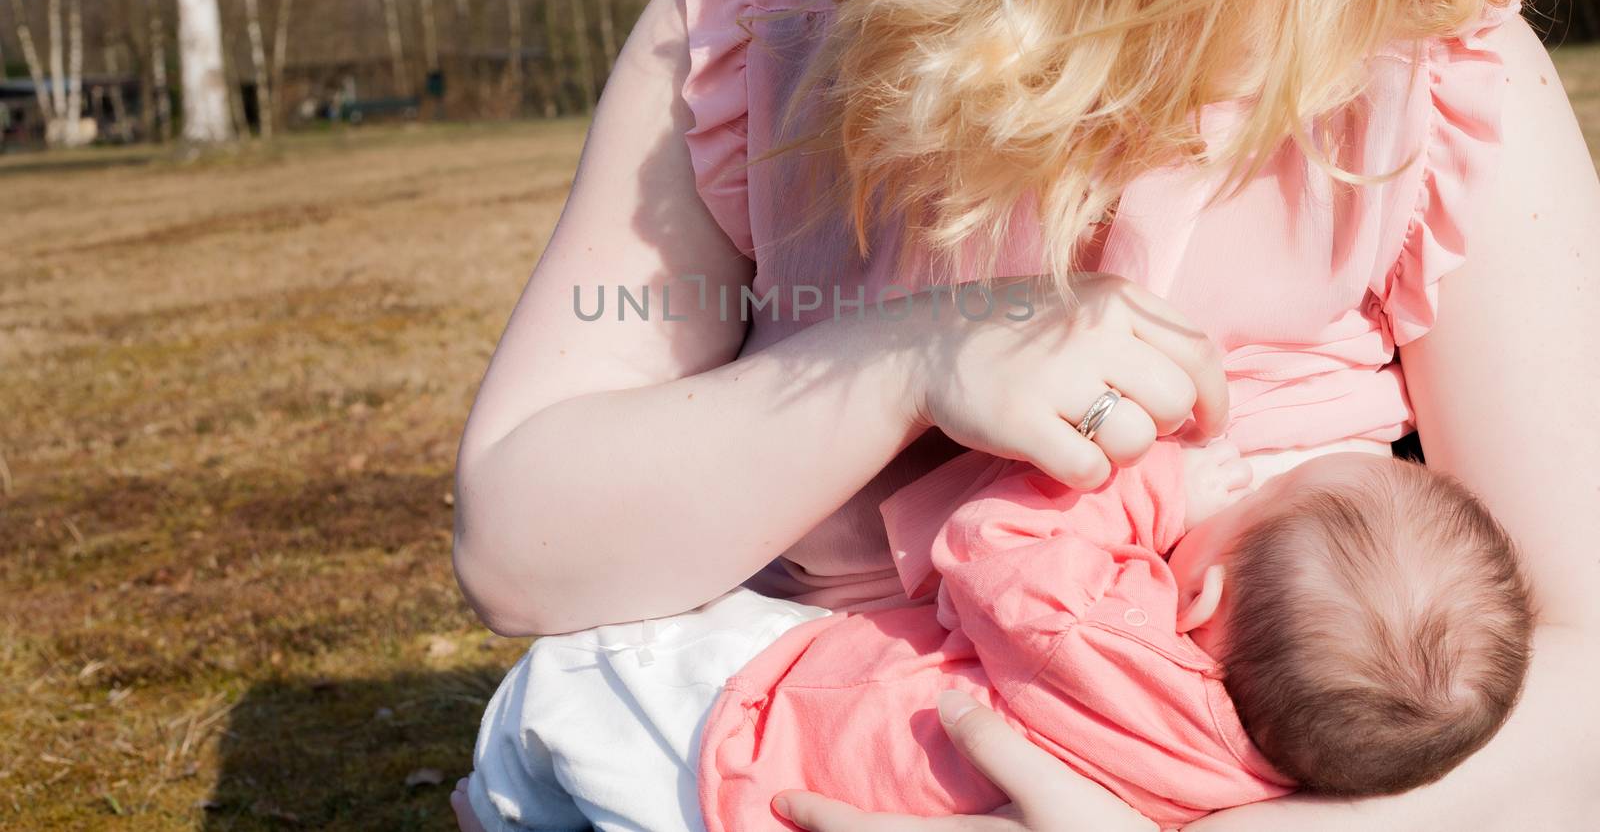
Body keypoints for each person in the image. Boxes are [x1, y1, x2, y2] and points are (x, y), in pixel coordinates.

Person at [451, 0, 1600, 829]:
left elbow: (1583, 673)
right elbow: (518, 544)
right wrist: (906, 362)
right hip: (796, 734)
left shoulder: (1435, 63)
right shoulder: (761, 20)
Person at [462, 439, 1531, 832]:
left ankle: (496, 794)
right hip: (785, 801)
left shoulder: (1095, 632)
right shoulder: (1236, 775)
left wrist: (1158, 484)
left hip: (741, 729)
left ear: (1198, 597)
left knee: (577, 682)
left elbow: (996, 538)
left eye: (1254, 493)